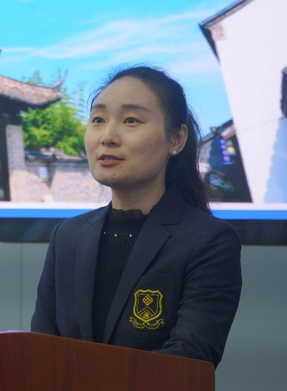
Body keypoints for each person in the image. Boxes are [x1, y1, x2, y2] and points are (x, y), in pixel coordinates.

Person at [31, 65, 242, 368]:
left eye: (131, 120)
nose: (108, 136)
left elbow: (187, 363)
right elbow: (41, 354)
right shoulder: (67, 236)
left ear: (176, 139)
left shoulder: (209, 241)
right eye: (98, 120)